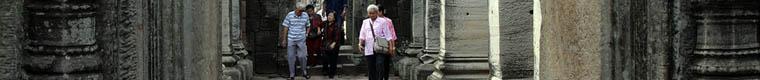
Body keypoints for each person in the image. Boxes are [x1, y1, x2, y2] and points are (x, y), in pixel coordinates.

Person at [359, 4, 396, 80]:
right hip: (369, 47)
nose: (371, 15)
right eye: (370, 13)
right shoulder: (365, 22)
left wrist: (391, 47)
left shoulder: (383, 21)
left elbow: (388, 35)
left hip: (380, 47)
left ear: (377, 13)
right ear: (368, 13)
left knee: (380, 64)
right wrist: (360, 44)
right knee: (371, 67)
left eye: (373, 13)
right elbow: (362, 34)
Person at [280, 3, 310, 80]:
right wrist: (284, 39)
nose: (301, 12)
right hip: (291, 39)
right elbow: (285, 27)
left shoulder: (305, 15)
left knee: (303, 56)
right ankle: (292, 74)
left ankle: (304, 72)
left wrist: (306, 33)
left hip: (301, 39)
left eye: (302, 11)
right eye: (299, 11)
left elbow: (308, 25)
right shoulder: (290, 15)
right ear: (296, 9)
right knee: (291, 57)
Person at [376, 5, 397, 80]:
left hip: (387, 44)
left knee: (386, 63)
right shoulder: (372, 21)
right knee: (379, 63)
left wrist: (393, 47)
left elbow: (392, 34)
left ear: (381, 12)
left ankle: (386, 77)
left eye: (377, 11)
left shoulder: (388, 21)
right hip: (376, 45)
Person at [322, 11, 343, 79]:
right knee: (325, 58)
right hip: (325, 43)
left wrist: (334, 43)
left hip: (334, 44)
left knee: (333, 59)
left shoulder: (336, 25)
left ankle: (332, 73)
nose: (329, 17)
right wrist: (319, 29)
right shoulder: (325, 23)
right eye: (328, 15)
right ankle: (325, 70)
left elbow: (337, 35)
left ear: (334, 18)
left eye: (331, 16)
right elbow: (319, 25)